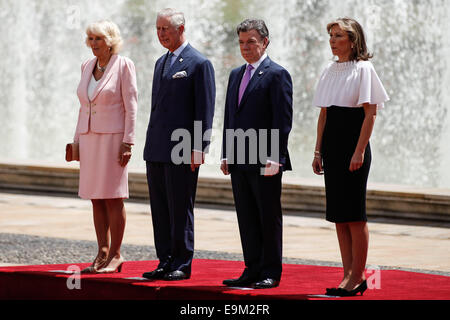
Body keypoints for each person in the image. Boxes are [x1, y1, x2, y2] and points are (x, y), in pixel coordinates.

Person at [312, 18, 389, 296]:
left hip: (353, 147)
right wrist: (317, 151)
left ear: (353, 40)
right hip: (331, 147)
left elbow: (371, 114)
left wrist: (359, 151)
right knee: (339, 216)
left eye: (338, 36)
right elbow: (324, 115)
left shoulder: (364, 69)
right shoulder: (329, 70)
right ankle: (346, 275)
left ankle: (358, 277)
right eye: (330, 35)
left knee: (355, 215)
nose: (332, 40)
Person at [142, 8, 215, 281]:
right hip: (157, 148)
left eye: (165, 30)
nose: (160, 34)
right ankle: (165, 260)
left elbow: (204, 109)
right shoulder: (160, 62)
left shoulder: (199, 63)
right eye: (158, 29)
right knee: (160, 208)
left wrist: (200, 148)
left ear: (181, 29)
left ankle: (182, 263)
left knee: (180, 208)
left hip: (183, 149)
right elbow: (156, 108)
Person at [220, 19, 293, 289]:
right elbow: (230, 116)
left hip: (266, 160)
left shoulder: (277, 74)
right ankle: (251, 268)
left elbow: (282, 120)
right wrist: (226, 153)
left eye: (251, 41)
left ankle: (270, 271)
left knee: (267, 215)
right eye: (241, 42)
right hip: (239, 158)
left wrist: (276, 157)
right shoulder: (236, 74)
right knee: (246, 216)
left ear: (265, 42)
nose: (246, 47)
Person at [73, 19, 138, 274]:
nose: (93, 44)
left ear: (110, 41)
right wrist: (76, 140)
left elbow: (131, 106)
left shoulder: (124, 65)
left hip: (114, 139)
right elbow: (82, 107)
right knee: (95, 198)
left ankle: (116, 254)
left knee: (113, 196)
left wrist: (128, 141)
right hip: (89, 138)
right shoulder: (86, 66)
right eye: (90, 39)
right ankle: (101, 251)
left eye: (98, 38)